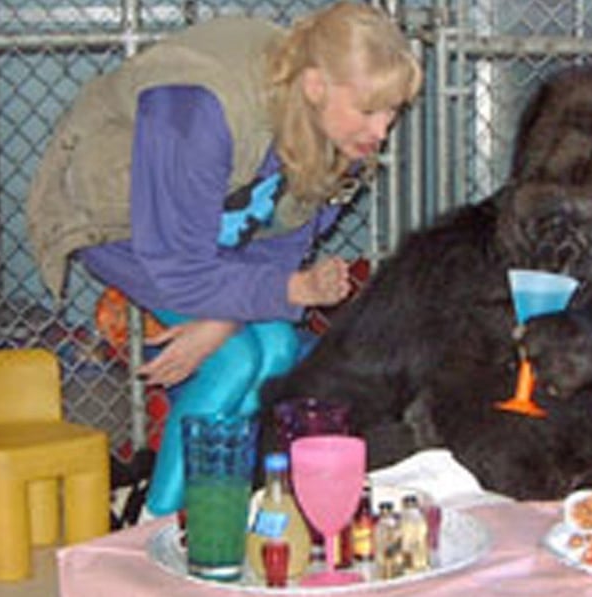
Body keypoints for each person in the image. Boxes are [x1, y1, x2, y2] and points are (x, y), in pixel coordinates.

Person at [25, 1, 423, 516]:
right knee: (237, 359)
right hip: (119, 220)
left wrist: (223, 320)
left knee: (276, 347)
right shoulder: (203, 106)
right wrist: (290, 291)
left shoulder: (334, 135)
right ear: (316, 85)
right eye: (369, 110)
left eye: (392, 113)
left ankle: (209, 512)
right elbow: (179, 267)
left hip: (212, 245)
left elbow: (281, 248)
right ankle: (150, 527)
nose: (381, 132)